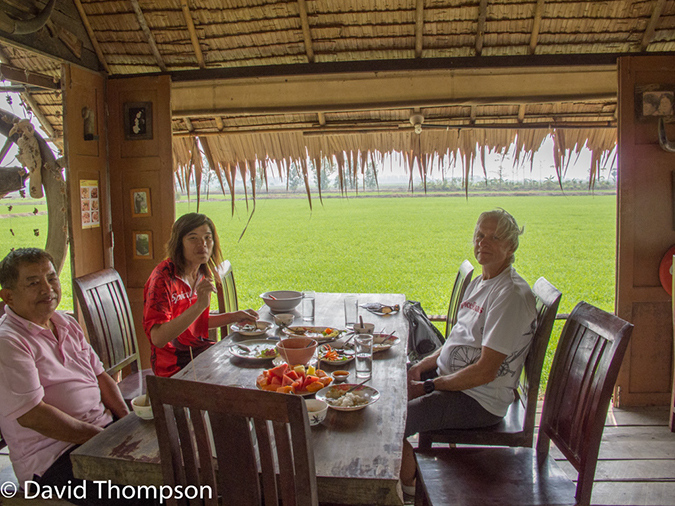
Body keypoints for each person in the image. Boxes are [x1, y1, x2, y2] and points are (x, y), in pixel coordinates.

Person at [400, 209, 538, 494]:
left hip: (477, 400)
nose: (483, 243)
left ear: (511, 246)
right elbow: (456, 340)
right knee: (383, 386)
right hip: (453, 383)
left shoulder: (509, 295)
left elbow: (485, 371)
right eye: (479, 235)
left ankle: (413, 489)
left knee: (391, 422)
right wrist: (421, 366)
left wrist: (426, 386)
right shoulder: (481, 282)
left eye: (494, 237)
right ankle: (407, 476)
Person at [0, 248, 131, 504]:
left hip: (99, 433)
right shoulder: (9, 342)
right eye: (33, 282)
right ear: (9, 297)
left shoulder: (65, 323)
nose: (47, 289)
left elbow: (100, 375)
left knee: (178, 464)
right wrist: (103, 441)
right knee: (149, 494)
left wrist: (127, 425)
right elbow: (33, 415)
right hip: (54, 460)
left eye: (51, 278)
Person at [143, 213, 259, 377]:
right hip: (174, 369)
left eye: (207, 238)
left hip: (200, 356)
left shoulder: (201, 273)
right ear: (179, 243)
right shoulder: (162, 279)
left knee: (251, 363)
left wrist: (235, 316)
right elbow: (158, 338)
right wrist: (199, 306)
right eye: (193, 238)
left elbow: (194, 323)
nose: (202, 244)